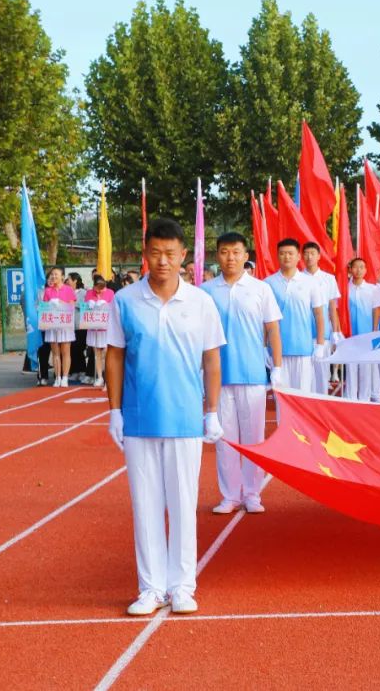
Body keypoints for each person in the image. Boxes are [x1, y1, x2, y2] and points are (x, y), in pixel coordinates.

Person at [105, 217, 226, 616]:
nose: (162, 261)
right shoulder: (125, 301)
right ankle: (151, 588)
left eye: (170, 254)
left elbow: (212, 359)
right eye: (155, 253)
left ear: (183, 256)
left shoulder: (200, 302)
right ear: (145, 254)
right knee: (145, 506)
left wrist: (212, 411)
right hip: (139, 419)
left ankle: (182, 586)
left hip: (185, 417)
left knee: (183, 504)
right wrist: (114, 410)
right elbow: (115, 356)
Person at [201, 231, 283, 516]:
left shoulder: (261, 289)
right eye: (224, 252)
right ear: (217, 256)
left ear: (246, 256)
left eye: (236, 252)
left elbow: (273, 329)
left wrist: (277, 367)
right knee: (225, 440)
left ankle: (252, 493)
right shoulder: (206, 291)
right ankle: (229, 495)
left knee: (253, 438)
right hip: (219, 377)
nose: (230, 258)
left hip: (252, 374)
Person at [265, 239, 327, 393]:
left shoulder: (310, 282)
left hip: (303, 350)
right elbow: (264, 319)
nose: (286, 257)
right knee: (282, 397)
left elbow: (319, 314)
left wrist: (320, 344)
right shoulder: (267, 283)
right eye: (282, 253)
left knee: (303, 396)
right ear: (277, 256)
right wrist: (263, 346)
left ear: (298, 256)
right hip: (278, 352)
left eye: (290, 253)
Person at [302, 242, 342, 394]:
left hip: (323, 334)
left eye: (312, 253)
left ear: (319, 256)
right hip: (304, 334)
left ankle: (321, 402)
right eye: (306, 253)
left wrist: (336, 331)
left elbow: (332, 307)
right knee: (306, 376)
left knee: (321, 375)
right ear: (302, 256)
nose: (309, 257)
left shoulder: (328, 279)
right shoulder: (298, 278)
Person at [345, 258, 380, 402]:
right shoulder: (345, 289)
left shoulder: (372, 289)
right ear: (350, 269)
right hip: (350, 334)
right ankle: (351, 397)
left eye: (362, 267)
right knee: (351, 366)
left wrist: (374, 330)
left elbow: (376, 310)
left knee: (366, 367)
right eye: (356, 267)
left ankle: (364, 397)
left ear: (366, 270)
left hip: (366, 333)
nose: (358, 270)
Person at [43, 267, 76, 388]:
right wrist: (48, 304)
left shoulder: (68, 289)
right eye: (52, 274)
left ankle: (65, 377)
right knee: (55, 353)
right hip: (53, 325)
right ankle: (57, 377)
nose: (53, 276)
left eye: (56, 274)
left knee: (66, 352)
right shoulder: (48, 291)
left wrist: (61, 303)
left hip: (65, 325)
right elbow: (44, 307)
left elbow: (72, 306)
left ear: (62, 276)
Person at [85, 277, 115, 388]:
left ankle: (108, 376)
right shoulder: (89, 293)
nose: (98, 291)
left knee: (106, 353)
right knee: (97, 353)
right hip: (94, 327)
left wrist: (105, 304)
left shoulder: (110, 293)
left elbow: (114, 308)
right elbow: (85, 308)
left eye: (101, 289)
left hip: (106, 328)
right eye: (97, 288)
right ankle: (99, 377)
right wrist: (89, 304)